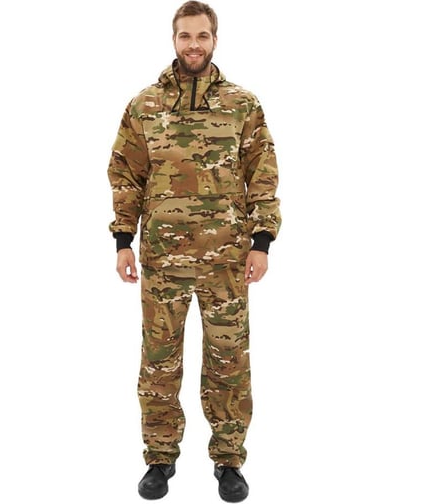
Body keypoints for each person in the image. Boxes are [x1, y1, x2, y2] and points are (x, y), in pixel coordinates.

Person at [107, 1, 281, 501]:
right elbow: (126, 174)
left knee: (229, 362)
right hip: (163, 260)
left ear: (215, 40)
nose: (193, 45)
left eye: (202, 36)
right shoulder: (144, 106)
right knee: (159, 362)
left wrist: (262, 241)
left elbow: (263, 173)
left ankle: (229, 461)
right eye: (185, 36)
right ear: (174, 40)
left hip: (227, 261)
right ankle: (160, 458)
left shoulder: (242, 105)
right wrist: (123, 240)